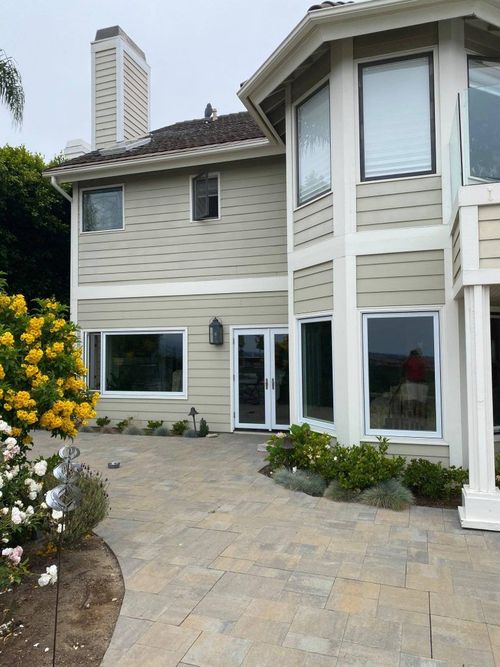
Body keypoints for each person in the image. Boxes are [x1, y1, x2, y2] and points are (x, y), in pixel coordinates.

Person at [402, 349, 428, 421]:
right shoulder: (420, 360)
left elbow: (404, 367)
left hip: (412, 382)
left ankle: (412, 416)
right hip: (419, 382)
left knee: (412, 400)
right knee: (420, 401)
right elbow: (424, 368)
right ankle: (419, 416)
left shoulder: (409, 360)